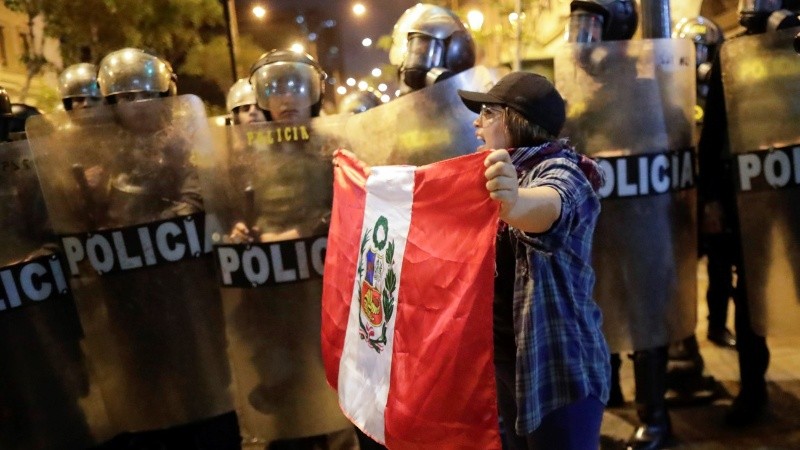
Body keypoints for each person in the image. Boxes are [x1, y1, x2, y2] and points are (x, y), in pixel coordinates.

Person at [457, 71, 609, 450]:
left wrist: (516, 204)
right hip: (509, 359)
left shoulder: (562, 169)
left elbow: (553, 206)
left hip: (558, 365)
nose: (477, 122)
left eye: (489, 112)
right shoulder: (491, 172)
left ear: (517, 121)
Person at [673, 16, 735, 349]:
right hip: (679, 185)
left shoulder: (724, 88)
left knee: (721, 262)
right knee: (682, 263)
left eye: (704, 49)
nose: (699, 58)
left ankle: (716, 324)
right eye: (693, 50)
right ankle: (683, 336)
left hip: (714, 181)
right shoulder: (672, 89)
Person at [389, 3, 476, 94]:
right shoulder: (403, 104)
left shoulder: (477, 99)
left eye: (424, 50)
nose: (414, 61)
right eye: (413, 50)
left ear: (456, 51)